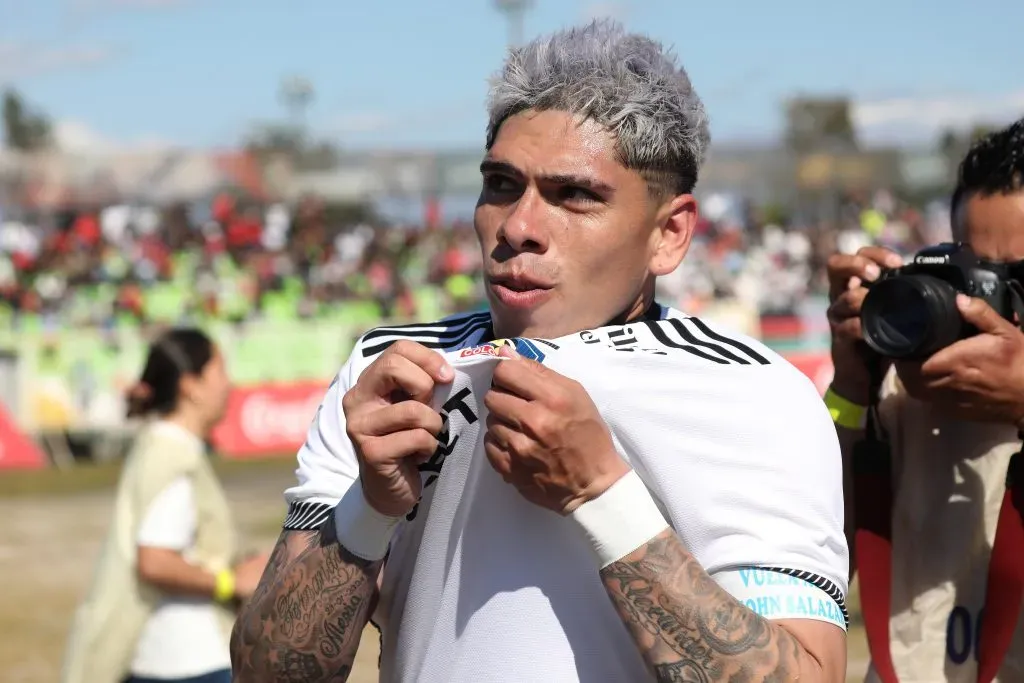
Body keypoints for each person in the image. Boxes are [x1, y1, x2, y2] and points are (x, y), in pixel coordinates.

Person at [231, 20, 849, 683]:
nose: (519, 227)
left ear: (670, 233)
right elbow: (267, 672)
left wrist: (602, 497)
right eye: (501, 184)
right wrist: (368, 510)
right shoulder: (391, 373)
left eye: (575, 195)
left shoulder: (751, 393)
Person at [825, 117, 1024, 682]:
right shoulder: (907, 386)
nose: (1003, 305)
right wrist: (850, 391)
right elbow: (813, 562)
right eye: (983, 275)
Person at [62, 328, 269, 683]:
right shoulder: (171, 455)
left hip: (169, 656)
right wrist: (229, 582)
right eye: (219, 370)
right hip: (188, 660)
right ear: (190, 386)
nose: (228, 383)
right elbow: (154, 560)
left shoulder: (163, 446)